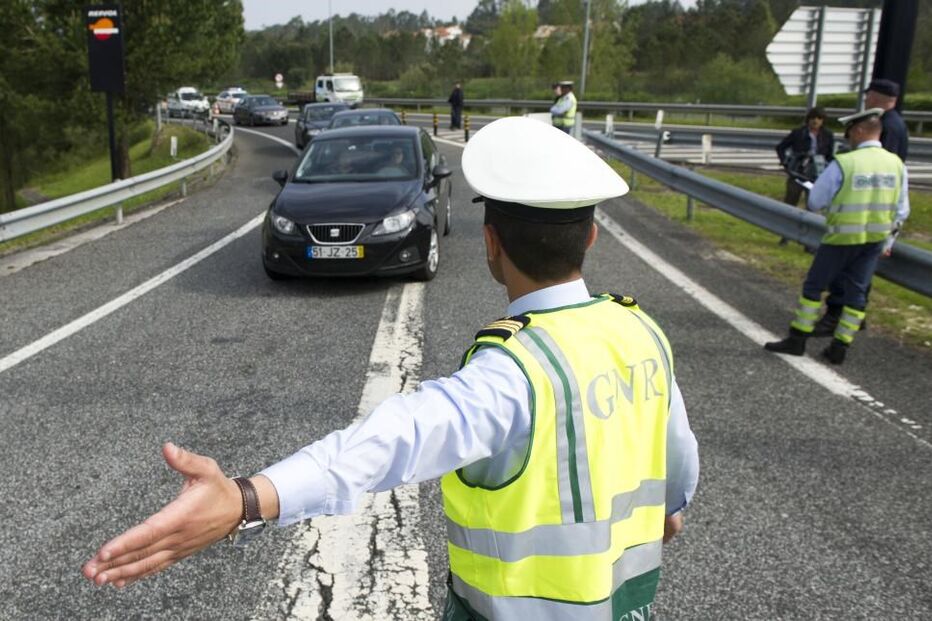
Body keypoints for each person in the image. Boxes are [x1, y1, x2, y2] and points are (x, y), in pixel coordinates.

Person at [82, 117, 700, 619]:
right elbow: (678, 478)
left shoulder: (515, 372)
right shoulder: (642, 332)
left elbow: (389, 441)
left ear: (490, 244)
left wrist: (246, 498)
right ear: (590, 237)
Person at [764, 109, 909, 365]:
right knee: (857, 295)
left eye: (851, 131)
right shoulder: (896, 164)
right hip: (874, 240)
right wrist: (888, 242)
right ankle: (840, 346)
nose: (848, 136)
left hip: (841, 238)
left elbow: (816, 201)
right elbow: (901, 209)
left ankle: (798, 339)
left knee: (814, 287)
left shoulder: (845, 162)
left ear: (860, 131)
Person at [822, 79, 909, 330]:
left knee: (848, 273)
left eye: (869, 95)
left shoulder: (886, 126)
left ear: (877, 97)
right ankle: (849, 321)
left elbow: (876, 171)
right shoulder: (898, 125)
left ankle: (837, 317)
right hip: (878, 218)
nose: (866, 99)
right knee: (859, 277)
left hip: (864, 216)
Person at [775, 107, 834, 245]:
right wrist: (786, 163)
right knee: (790, 204)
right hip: (798, 173)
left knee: (813, 206)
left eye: (819, 118)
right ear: (808, 119)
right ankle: (785, 236)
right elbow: (780, 147)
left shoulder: (827, 135)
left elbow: (830, 155)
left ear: (823, 121)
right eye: (813, 118)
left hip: (815, 176)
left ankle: (809, 242)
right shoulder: (798, 133)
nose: (815, 121)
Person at [865, 78, 908, 161]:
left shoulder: (885, 124)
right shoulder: (896, 121)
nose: (866, 99)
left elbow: (885, 157)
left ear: (873, 98)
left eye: (868, 95)